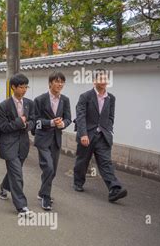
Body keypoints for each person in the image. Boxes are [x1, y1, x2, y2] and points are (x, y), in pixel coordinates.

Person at [73, 69, 127, 202]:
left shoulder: (111, 98)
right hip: (87, 135)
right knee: (82, 161)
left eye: (105, 79)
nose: (104, 81)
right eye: (101, 79)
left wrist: (108, 129)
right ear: (94, 81)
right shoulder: (85, 96)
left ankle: (114, 189)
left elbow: (111, 116)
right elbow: (80, 117)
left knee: (106, 163)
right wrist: (83, 134)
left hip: (103, 136)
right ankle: (78, 182)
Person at [0, 73, 36, 217]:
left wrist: (27, 125)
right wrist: (20, 121)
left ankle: (4, 186)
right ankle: (22, 206)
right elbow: (3, 127)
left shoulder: (29, 103)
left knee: (15, 171)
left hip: (23, 143)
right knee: (17, 174)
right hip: (8, 144)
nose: (24, 89)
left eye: (26, 86)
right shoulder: (3, 106)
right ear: (13, 87)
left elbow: (33, 120)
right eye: (21, 87)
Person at [33, 72, 72, 211]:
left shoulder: (65, 100)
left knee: (53, 170)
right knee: (48, 167)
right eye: (57, 81)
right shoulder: (40, 100)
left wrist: (63, 124)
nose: (60, 84)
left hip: (56, 139)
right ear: (50, 83)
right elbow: (35, 121)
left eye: (62, 82)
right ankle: (45, 197)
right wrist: (50, 122)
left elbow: (68, 118)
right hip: (42, 139)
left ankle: (42, 192)